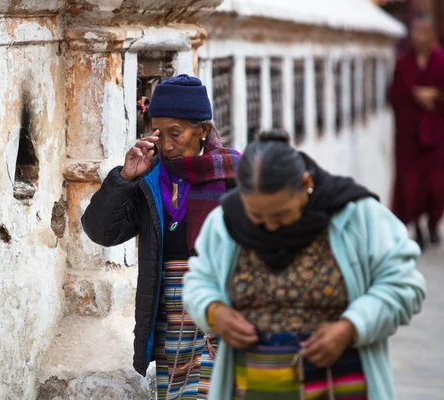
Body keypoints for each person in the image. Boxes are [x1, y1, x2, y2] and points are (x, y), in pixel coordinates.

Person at [183, 131, 426, 400]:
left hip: (341, 383)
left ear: (306, 183)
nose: (271, 226)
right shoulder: (225, 223)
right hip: (253, 386)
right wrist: (214, 311)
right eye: (258, 218)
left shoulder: (357, 215)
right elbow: (198, 281)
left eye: (280, 214)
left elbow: (404, 285)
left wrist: (351, 327)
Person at [81, 74, 240, 399]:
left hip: (222, 307)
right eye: (159, 133)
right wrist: (125, 178)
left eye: (176, 134)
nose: (166, 145)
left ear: (203, 131)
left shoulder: (234, 177)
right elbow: (101, 232)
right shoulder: (150, 180)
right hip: (170, 315)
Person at [390, 15, 444, 248]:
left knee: (437, 185)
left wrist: (436, 96)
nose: (419, 37)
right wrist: (413, 96)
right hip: (409, 137)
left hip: (437, 135)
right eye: (415, 32)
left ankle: (433, 222)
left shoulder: (441, 62)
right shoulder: (403, 63)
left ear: (433, 35)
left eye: (424, 32)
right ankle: (418, 228)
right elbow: (392, 96)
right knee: (411, 186)